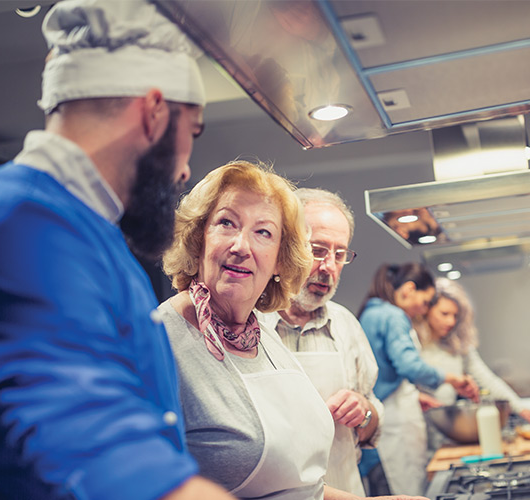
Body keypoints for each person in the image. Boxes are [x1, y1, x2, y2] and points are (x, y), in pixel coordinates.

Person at [0, 1, 234, 499]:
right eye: (190, 133)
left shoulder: (85, 231)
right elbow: (109, 465)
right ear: (153, 112)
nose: (186, 168)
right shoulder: (20, 229)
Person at [158, 161, 425, 500]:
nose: (242, 246)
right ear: (198, 238)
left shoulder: (260, 336)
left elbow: (299, 489)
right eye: (226, 223)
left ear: (280, 262)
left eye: (263, 232)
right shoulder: (161, 341)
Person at [257, 188, 383, 496]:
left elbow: (374, 421)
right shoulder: (250, 325)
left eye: (340, 255)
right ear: (286, 246)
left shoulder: (345, 324)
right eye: (318, 250)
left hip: (348, 487)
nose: (329, 267)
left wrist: (365, 411)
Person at [358, 263, 478, 496]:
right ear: (408, 290)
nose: (423, 311)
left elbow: (382, 373)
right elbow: (408, 365)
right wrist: (451, 379)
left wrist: (416, 397)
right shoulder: (392, 315)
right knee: (402, 491)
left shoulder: (371, 313)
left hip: (377, 426)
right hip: (392, 430)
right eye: (425, 303)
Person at [414, 278, 530, 442]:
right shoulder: (413, 343)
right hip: (417, 427)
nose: (451, 321)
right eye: (444, 314)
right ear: (426, 310)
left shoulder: (458, 345)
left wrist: (519, 407)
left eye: (455, 315)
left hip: (447, 430)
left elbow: (487, 380)